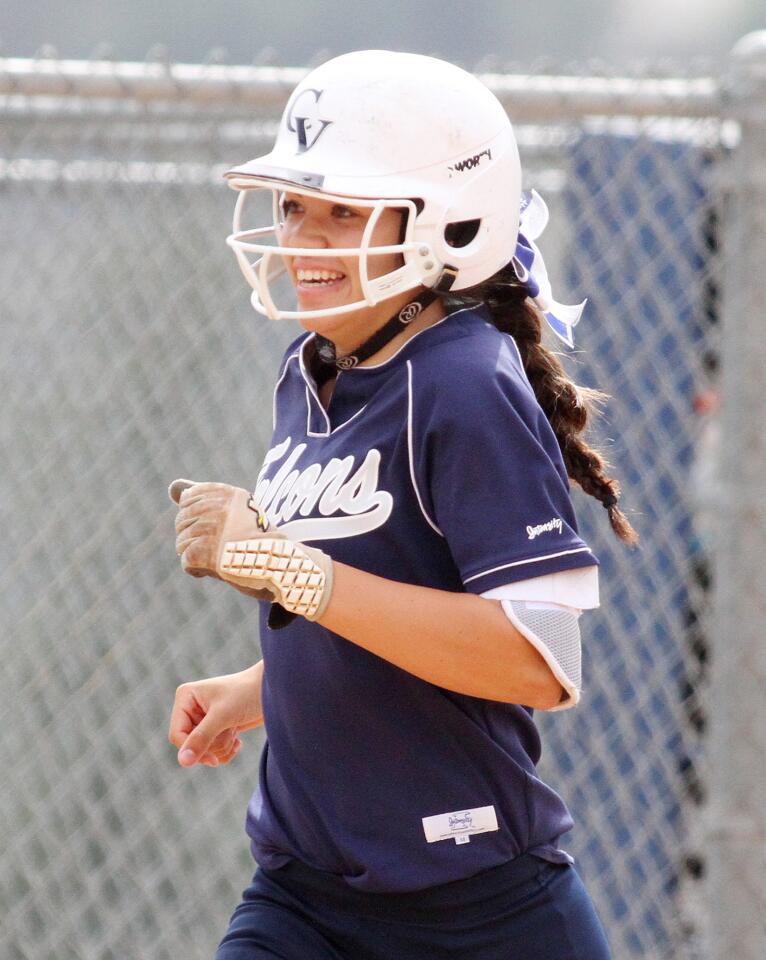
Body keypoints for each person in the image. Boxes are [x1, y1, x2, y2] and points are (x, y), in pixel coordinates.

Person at [168, 49, 638, 960]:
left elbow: (540, 660)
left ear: (451, 225)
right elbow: (385, 603)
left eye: (344, 212)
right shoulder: (314, 368)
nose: (303, 238)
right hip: (305, 894)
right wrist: (268, 690)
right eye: (295, 206)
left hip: (477, 916)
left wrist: (278, 566)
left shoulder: (462, 382)